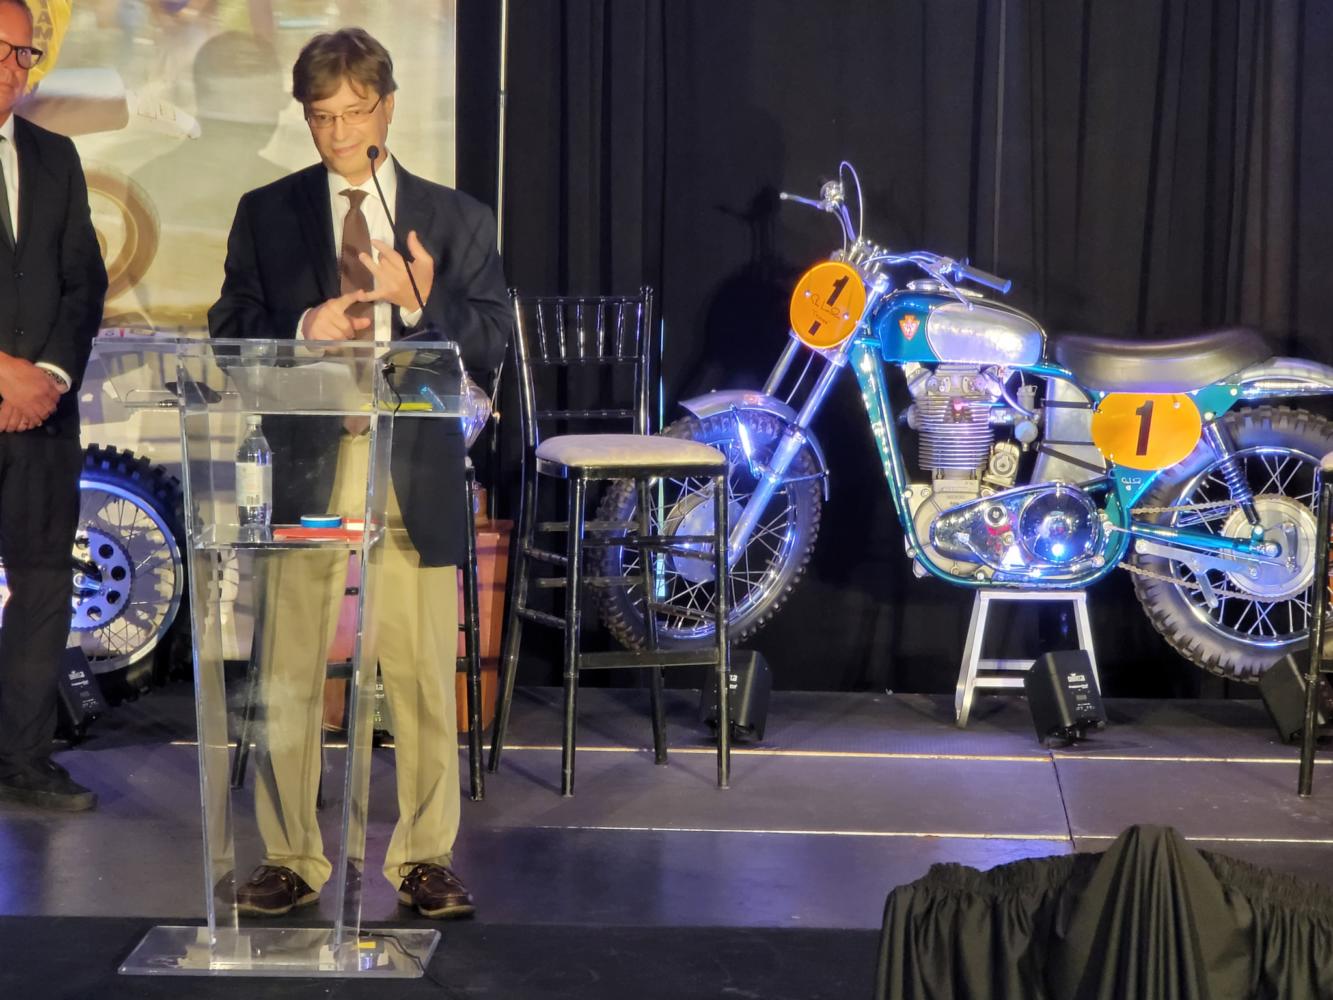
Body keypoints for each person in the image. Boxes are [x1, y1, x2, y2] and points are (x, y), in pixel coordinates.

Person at [208, 27, 509, 920]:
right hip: (309, 457)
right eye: (320, 117)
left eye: (353, 114)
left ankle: (423, 857)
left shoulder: (456, 219)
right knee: (290, 665)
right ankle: (291, 856)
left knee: (418, 669)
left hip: (408, 462)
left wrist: (419, 304)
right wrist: (306, 327)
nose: (338, 134)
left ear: (387, 108)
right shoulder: (267, 212)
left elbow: (492, 340)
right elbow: (229, 330)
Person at [0, 0, 108, 812]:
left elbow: (83, 281)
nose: (13, 69)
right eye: (1, 50)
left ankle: (22, 759)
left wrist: (47, 375)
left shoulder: (54, 155)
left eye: (24, 55)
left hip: (44, 416)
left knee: (42, 587)